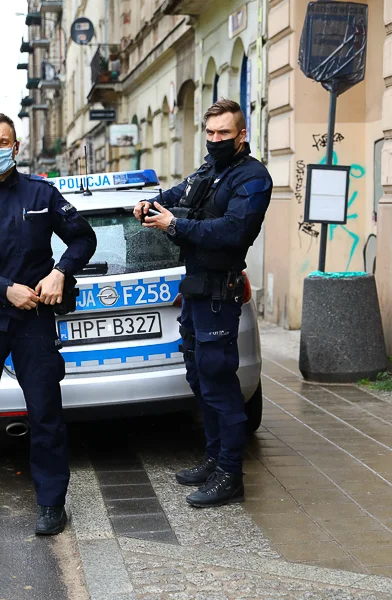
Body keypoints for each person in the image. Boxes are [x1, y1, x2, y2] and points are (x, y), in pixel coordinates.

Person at [0, 112, 97, 534]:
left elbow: (84, 237)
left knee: (46, 415)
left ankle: (51, 505)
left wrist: (61, 272)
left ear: (16, 146)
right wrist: (3, 287)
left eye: (4, 142)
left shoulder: (41, 194)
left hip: (34, 320)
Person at [134, 99, 273, 508]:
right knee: (199, 378)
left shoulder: (253, 178)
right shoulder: (211, 170)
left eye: (223, 134)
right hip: (195, 291)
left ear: (241, 135)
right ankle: (214, 459)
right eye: (210, 133)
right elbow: (180, 193)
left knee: (219, 383)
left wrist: (175, 224)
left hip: (219, 294)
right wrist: (152, 203)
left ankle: (231, 474)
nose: (215, 140)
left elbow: (232, 231)